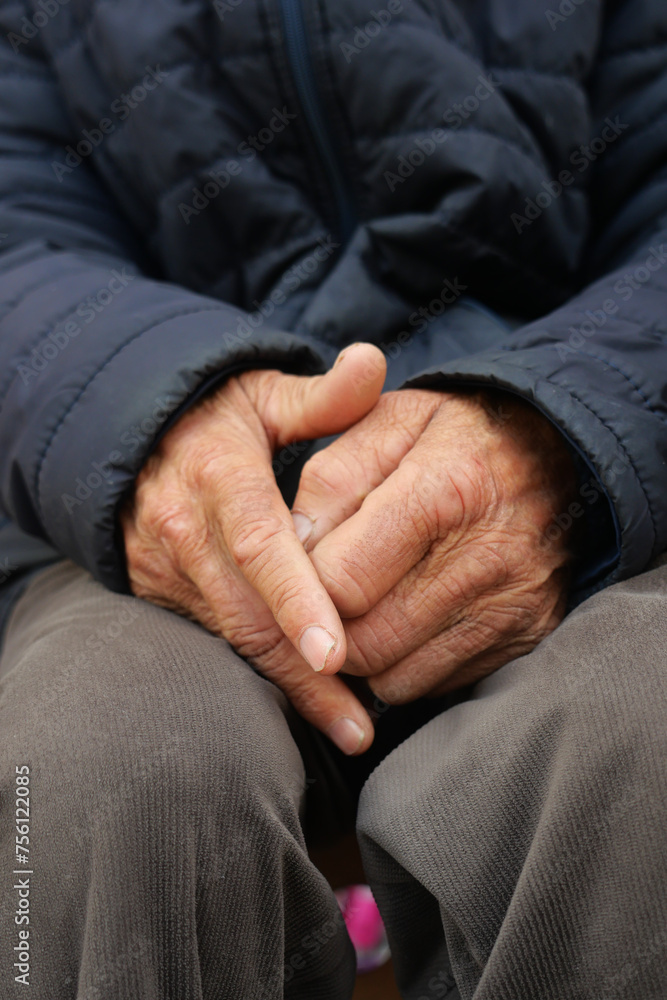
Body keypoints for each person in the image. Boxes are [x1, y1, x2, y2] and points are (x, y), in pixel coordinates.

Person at [0, 0, 666, 996]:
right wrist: (146, 413)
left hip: (595, 506)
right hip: (124, 524)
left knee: (640, 738)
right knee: (99, 768)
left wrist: (565, 433)